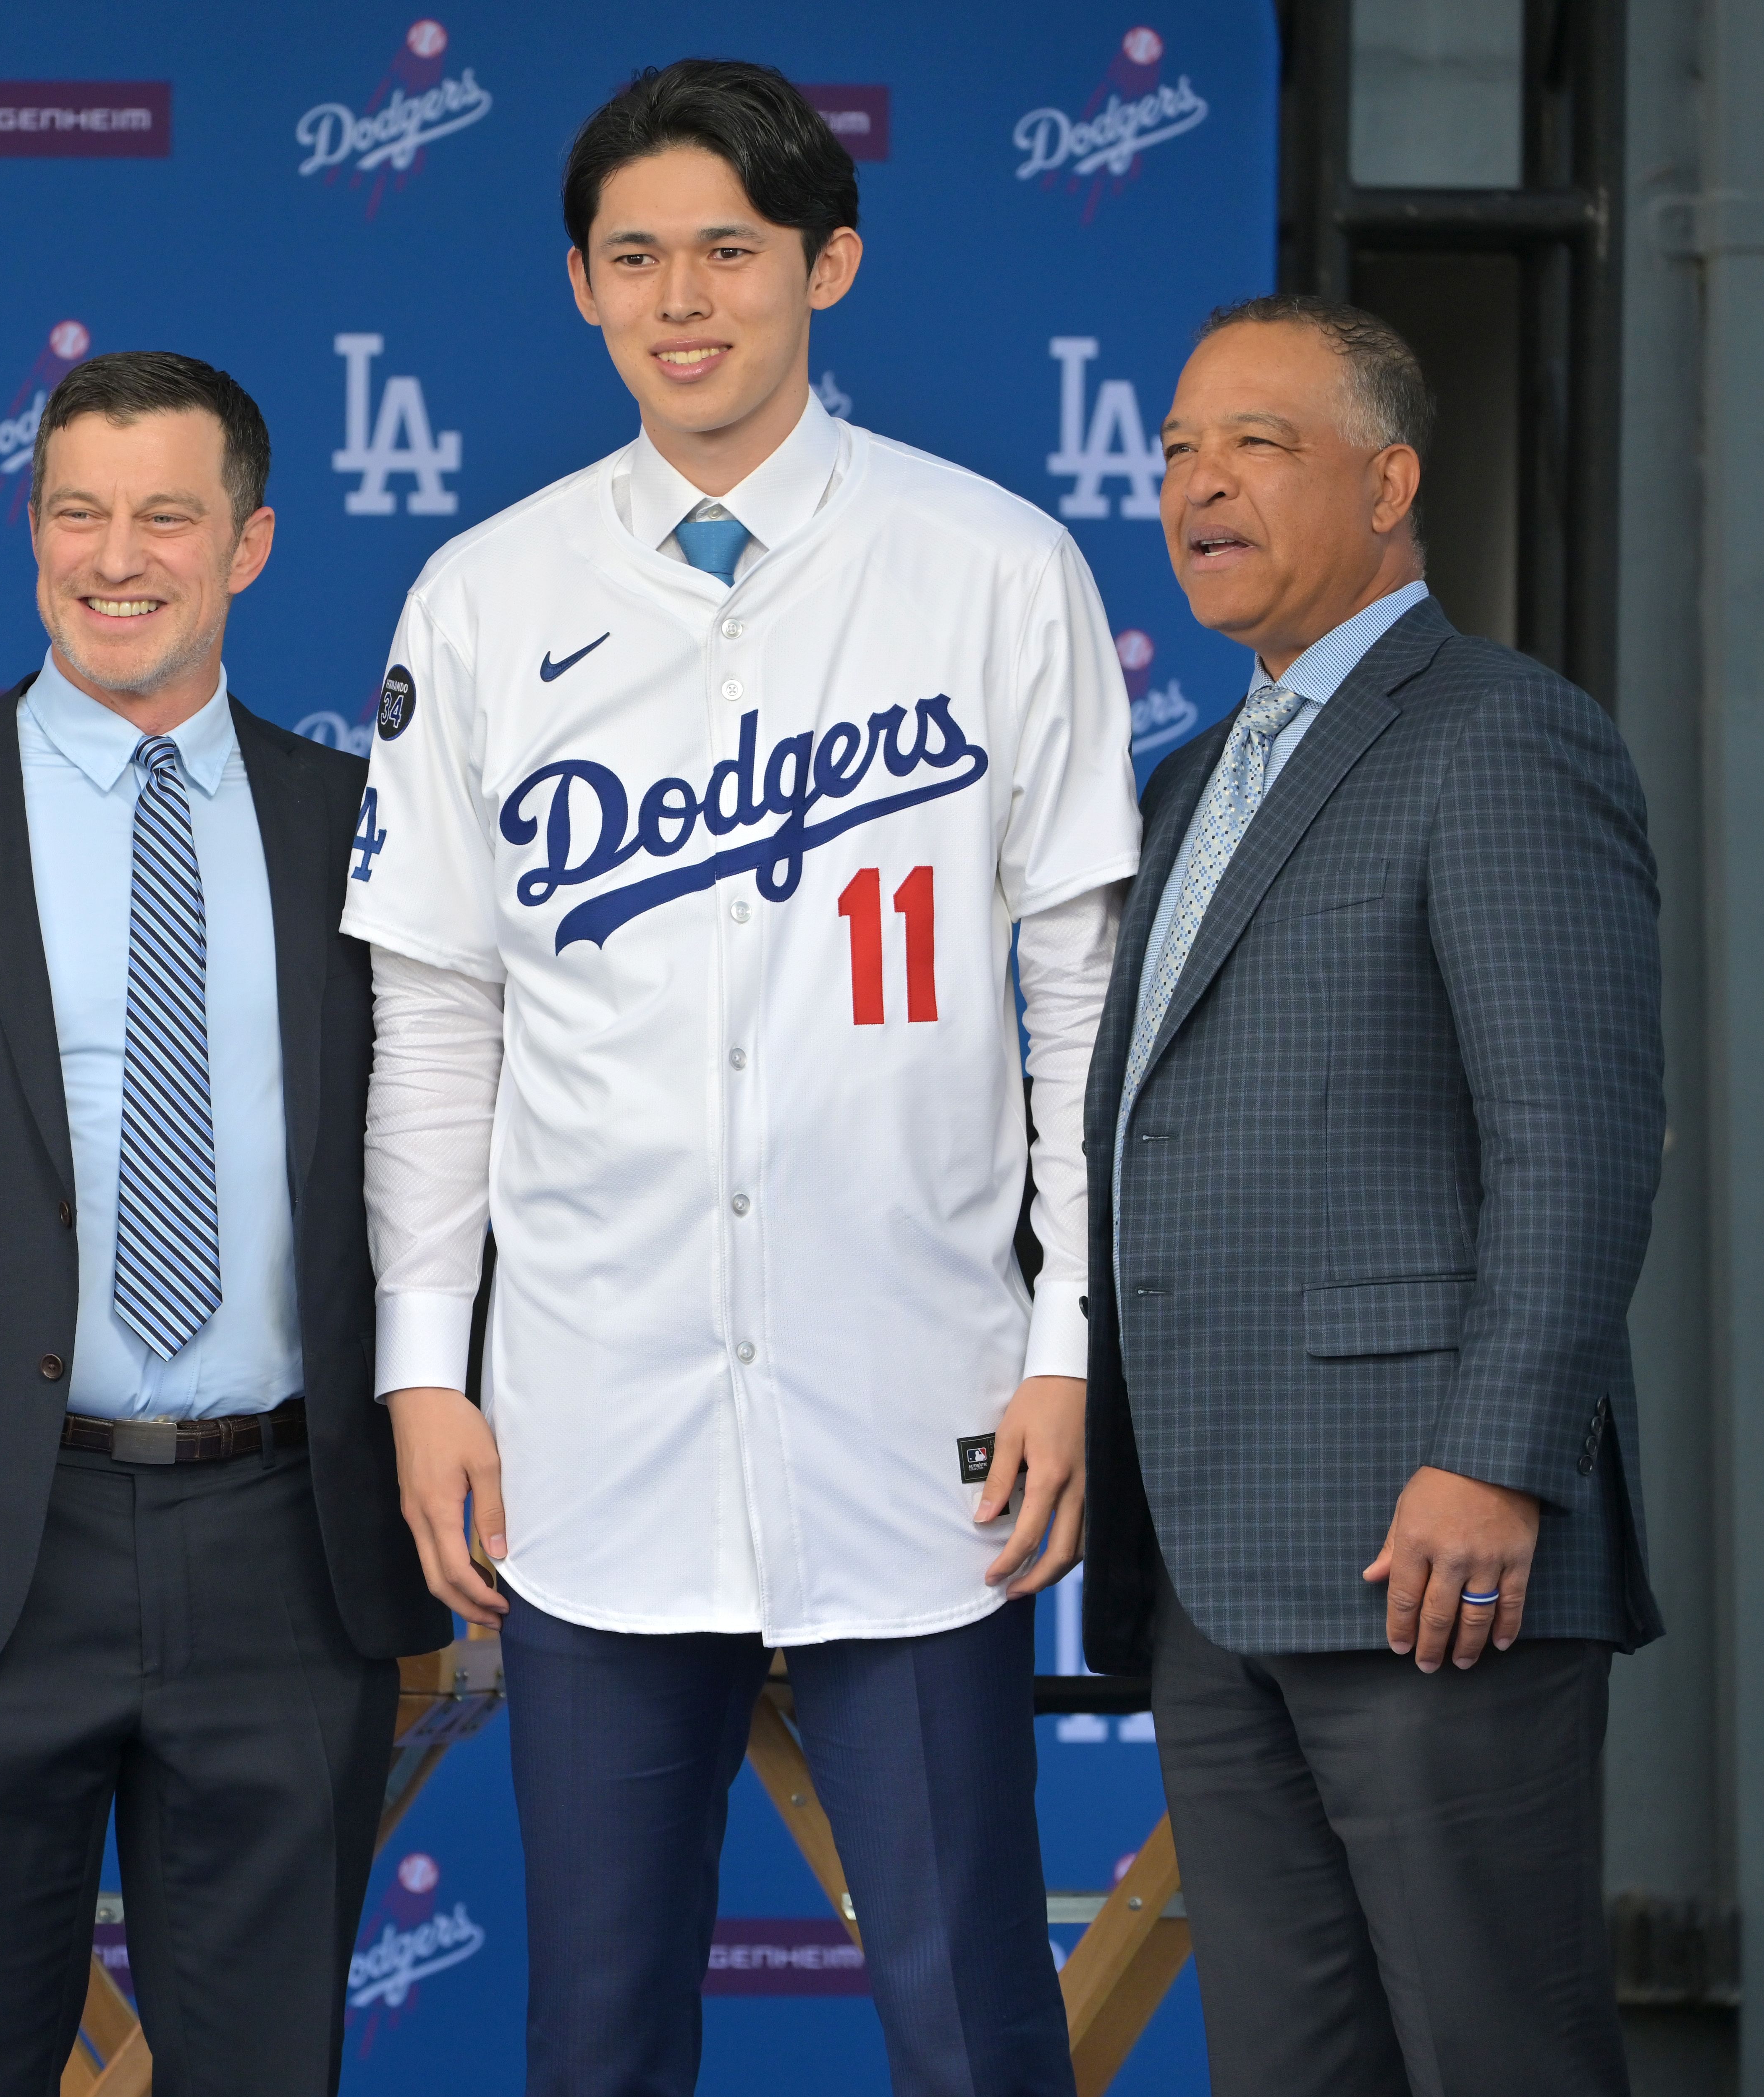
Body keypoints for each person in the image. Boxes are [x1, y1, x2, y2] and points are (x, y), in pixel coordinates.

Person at [345, 61, 1143, 2097]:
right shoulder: (487, 593)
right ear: (582, 290)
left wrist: (1068, 1339)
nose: (681, 297)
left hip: (921, 1421)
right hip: (591, 1432)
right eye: (635, 257)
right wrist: (425, 1364)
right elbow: (437, 1020)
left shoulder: (991, 565)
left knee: (973, 2019)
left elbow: (1081, 996)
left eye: (728, 249)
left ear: (827, 266)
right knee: (597, 2034)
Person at [0, 349, 443, 2096]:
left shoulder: (365, 835)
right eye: (75, 511)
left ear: (250, 544)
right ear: (29, 528)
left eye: (164, 516)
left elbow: (446, 1162)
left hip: (291, 1546)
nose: (114, 556)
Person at [1079, 296, 1661, 2096]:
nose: (1194, 486)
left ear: (1390, 480)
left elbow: (1576, 1134)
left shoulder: (1497, 736)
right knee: (1289, 2066)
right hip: (1218, 1560)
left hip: (1430, 1557)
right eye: (1174, 450)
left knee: (1496, 2049)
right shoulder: (1190, 776)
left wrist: (1494, 1457)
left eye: (1255, 443)